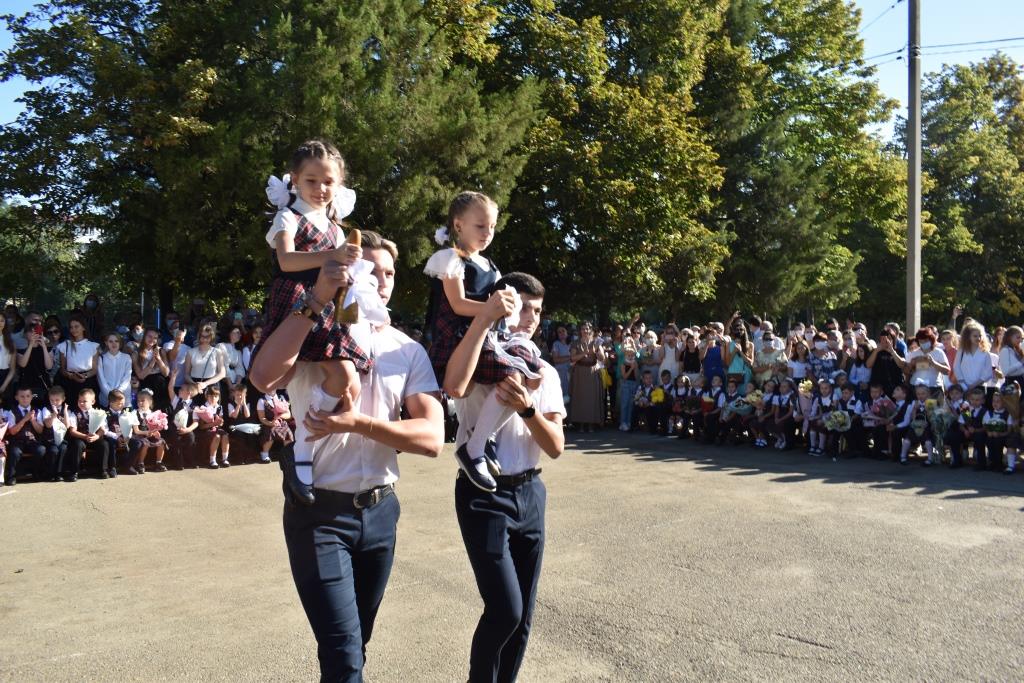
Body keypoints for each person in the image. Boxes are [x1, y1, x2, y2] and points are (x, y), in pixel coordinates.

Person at [249, 230, 443, 682]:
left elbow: (432, 437)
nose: (381, 278)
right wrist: (316, 300)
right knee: (344, 653)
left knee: (355, 643)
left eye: (389, 271)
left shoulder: (407, 349)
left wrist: (359, 424)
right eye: (369, 269)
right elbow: (261, 377)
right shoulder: (309, 336)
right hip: (319, 513)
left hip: (380, 512)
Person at [441, 271, 565, 683]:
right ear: (504, 304)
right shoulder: (482, 355)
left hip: (530, 493)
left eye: (538, 311)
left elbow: (556, 446)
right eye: (524, 307)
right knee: (505, 609)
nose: (530, 318)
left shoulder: (542, 370)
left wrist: (528, 409)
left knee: (523, 616)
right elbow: (454, 386)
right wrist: (482, 322)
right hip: (483, 495)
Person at [262, 140, 373, 503]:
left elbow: (345, 280)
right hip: (296, 304)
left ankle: (301, 450)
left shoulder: (336, 228)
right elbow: (287, 261)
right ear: (294, 180)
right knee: (283, 378)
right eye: (311, 180)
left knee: (342, 377)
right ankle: (301, 452)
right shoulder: (288, 217)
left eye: (328, 182)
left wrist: (350, 318)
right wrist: (333, 255)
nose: (321, 189)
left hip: (331, 312)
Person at [424, 191, 543, 489]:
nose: (487, 233)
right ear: (459, 224)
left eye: (491, 227)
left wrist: (506, 314)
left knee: (524, 376)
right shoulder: (449, 259)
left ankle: (479, 438)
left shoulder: (492, 266)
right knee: (512, 377)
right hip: (459, 339)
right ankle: (475, 446)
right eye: (480, 226)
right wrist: (493, 310)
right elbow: (458, 305)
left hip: (487, 336)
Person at [65, 387, 113, 478]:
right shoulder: (74, 413)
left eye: (85, 401)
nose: (81, 403)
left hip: (94, 438)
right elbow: (72, 431)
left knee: (104, 444)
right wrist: (85, 436)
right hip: (81, 438)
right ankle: (74, 472)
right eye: (80, 401)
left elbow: (103, 429)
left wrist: (97, 436)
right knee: (78, 445)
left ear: (93, 402)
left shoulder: (99, 412)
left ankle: (103, 470)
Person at [567, 322, 606, 432]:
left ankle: (591, 424)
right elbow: (573, 358)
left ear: (591, 330)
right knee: (580, 398)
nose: (585, 331)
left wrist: (597, 353)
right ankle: (580, 424)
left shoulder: (597, 342)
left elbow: (602, 358)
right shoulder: (575, 343)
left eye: (587, 329)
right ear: (580, 331)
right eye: (583, 329)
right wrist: (584, 353)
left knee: (592, 398)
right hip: (580, 373)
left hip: (592, 372)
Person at [4, 386, 45, 485]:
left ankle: (35, 473)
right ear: (16, 397)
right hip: (18, 440)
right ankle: (11, 476)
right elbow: (12, 431)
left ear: (31, 397)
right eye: (22, 396)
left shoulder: (37, 411)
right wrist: (24, 419)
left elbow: (40, 431)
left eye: (28, 396)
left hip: (32, 440)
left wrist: (33, 420)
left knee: (41, 449)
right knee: (14, 452)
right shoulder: (11, 412)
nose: (25, 399)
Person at [56, 314, 99, 406]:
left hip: (88, 382)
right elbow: (62, 369)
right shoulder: (64, 345)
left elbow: (95, 369)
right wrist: (71, 376)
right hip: (70, 382)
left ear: (83, 327)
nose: (73, 329)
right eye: (71, 327)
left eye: (76, 326)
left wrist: (85, 376)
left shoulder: (93, 346)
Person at [184, 324, 227, 407]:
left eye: (207, 337)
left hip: (212, 386)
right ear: (199, 336)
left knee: (212, 415)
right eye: (202, 336)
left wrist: (205, 384)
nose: (204, 339)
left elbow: (222, 373)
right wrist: (196, 385)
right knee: (195, 413)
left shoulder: (217, 352)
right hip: (194, 386)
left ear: (211, 337)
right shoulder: (190, 352)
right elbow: (186, 374)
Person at [133, 327, 170, 410]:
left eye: (155, 338)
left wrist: (159, 359)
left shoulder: (161, 351)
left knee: (162, 409)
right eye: (149, 336)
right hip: (146, 383)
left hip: (161, 384)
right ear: (144, 336)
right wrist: (152, 362)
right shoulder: (136, 353)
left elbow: (166, 373)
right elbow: (141, 376)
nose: (152, 339)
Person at [132, 388, 167, 472]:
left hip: (149, 435)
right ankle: (140, 463)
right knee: (145, 443)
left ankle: (159, 462)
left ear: (150, 402)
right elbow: (136, 431)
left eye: (143, 400)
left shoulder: (153, 414)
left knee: (161, 442)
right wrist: (147, 432)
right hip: (138, 435)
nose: (140, 403)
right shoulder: (134, 413)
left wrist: (156, 432)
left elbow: (155, 427)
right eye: (138, 401)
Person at [97, 332, 132, 408]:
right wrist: (110, 394)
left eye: (116, 341)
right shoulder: (102, 358)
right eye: (110, 341)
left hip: (123, 396)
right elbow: (101, 378)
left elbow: (127, 377)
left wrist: (119, 392)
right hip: (107, 397)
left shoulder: (126, 357)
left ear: (120, 343)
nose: (114, 344)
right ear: (106, 343)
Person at [997, 326, 1024, 391]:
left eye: (1022, 338)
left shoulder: (1016, 350)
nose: (1020, 340)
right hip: (1012, 383)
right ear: (1009, 337)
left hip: (1021, 381)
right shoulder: (1005, 350)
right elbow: (1006, 371)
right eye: (1018, 337)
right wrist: (1021, 362)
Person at [549, 326, 572, 402]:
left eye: (563, 331)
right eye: (559, 332)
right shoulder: (556, 344)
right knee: (564, 398)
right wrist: (571, 357)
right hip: (561, 374)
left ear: (567, 332)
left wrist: (565, 358)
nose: (562, 333)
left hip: (572, 373)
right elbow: (556, 360)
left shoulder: (572, 343)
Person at [0, 314, 15, 407]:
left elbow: (12, 369)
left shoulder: (9, 342)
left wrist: (3, 386)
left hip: (5, 378)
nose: (0, 323)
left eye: (2, 320)